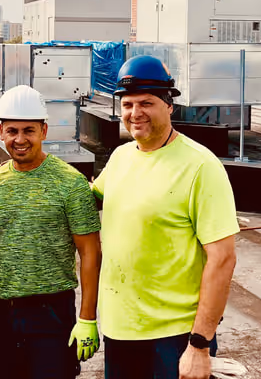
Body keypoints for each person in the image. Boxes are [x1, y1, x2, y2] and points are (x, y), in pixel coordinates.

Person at [92, 56, 239, 379]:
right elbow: (92, 197)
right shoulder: (120, 157)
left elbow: (223, 259)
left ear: (169, 106)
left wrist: (200, 344)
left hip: (174, 336)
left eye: (147, 103)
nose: (135, 113)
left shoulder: (200, 166)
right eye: (128, 104)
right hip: (119, 330)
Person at [0, 85, 102, 378]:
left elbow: (90, 252)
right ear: (1, 131)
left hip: (52, 312)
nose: (20, 139)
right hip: (5, 313)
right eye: (12, 131)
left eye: (29, 130)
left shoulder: (70, 184)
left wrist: (87, 317)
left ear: (44, 131)